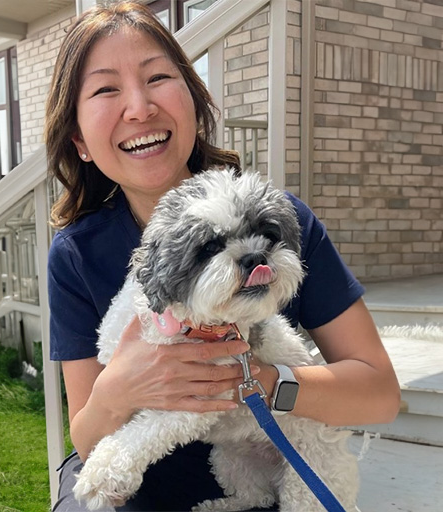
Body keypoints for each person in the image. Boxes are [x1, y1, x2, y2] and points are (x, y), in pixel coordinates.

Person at [45, 2, 400, 511]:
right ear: (79, 139)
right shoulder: (77, 254)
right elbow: (87, 439)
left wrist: (263, 381)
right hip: (140, 486)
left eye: (158, 78)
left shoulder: (278, 223)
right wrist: (118, 388)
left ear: (193, 101)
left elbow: (380, 394)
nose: (139, 107)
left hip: (267, 479)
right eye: (106, 89)